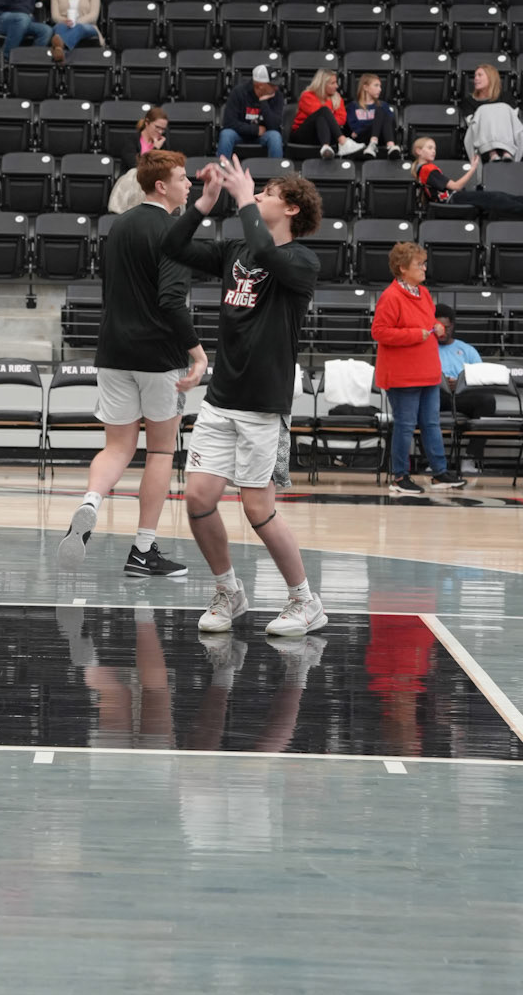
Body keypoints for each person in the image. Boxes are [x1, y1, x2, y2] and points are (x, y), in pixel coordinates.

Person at [160, 156, 329, 637]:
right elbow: (173, 246)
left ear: (292, 209)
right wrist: (205, 203)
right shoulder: (236, 248)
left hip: (263, 405)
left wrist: (240, 199)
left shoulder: (302, 262)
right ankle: (229, 591)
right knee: (197, 498)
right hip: (221, 399)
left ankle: (305, 600)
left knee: (257, 509)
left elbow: (267, 253)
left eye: (267, 193)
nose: (256, 196)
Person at [56, 149, 206, 582]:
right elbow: (172, 301)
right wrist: (197, 352)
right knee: (159, 451)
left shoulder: (118, 226)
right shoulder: (175, 230)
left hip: (113, 351)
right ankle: (143, 551)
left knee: (118, 446)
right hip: (159, 356)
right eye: (182, 178)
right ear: (161, 186)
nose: (189, 185)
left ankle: (91, 501)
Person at [372, 241, 466, 497]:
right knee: (405, 425)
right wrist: (417, 334)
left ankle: (439, 473)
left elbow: (428, 321)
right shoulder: (391, 296)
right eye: (419, 264)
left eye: (424, 263)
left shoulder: (423, 293)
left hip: (427, 372)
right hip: (403, 375)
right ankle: (400, 477)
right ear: (403, 268)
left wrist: (437, 326)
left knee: (431, 423)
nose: (424, 268)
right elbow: (379, 332)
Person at [410, 135, 523, 220]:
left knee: (499, 195)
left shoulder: (421, 169)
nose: (434, 151)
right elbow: (456, 186)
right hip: (453, 200)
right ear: (419, 151)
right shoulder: (427, 170)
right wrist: (473, 169)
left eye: (434, 148)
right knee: (496, 198)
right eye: (430, 148)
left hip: (454, 198)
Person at [432, 306, 486, 476]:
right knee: (417, 402)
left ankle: (470, 456)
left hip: (462, 396)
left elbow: (480, 378)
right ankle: (432, 459)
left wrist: (461, 383)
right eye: (438, 327)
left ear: (453, 326)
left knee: (487, 401)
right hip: (436, 395)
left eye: (446, 327)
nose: (443, 331)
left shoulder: (467, 350)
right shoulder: (425, 349)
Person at [219, 63, 287, 163]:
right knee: (226, 134)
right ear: (260, 85)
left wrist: (263, 102)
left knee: (275, 136)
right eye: (272, 85)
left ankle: (276, 172)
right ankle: (220, 170)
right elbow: (229, 123)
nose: (276, 88)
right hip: (240, 134)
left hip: (264, 136)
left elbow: (275, 126)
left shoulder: (277, 96)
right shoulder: (238, 92)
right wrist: (255, 130)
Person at [289, 69, 361, 159]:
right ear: (323, 84)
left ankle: (326, 148)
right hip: (304, 135)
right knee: (323, 112)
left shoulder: (337, 98)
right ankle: (343, 142)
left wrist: (330, 119)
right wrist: (331, 115)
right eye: (333, 83)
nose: (337, 86)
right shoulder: (307, 96)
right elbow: (319, 112)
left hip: (326, 135)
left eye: (336, 82)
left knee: (322, 118)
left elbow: (342, 119)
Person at [462, 65, 523, 164]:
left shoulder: (506, 96)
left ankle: (507, 151)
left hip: (505, 132)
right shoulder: (469, 101)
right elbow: (471, 121)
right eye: (475, 76)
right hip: (481, 136)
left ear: (491, 77)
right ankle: (492, 152)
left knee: (503, 108)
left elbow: (513, 118)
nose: (476, 79)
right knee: (483, 110)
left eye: (480, 75)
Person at [343, 72, 402, 158]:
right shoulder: (352, 106)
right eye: (376, 85)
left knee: (381, 110)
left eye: (380, 86)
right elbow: (355, 128)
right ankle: (379, 144)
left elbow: (390, 123)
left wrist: (365, 125)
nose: (380, 89)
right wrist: (376, 123)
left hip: (380, 139)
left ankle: (387, 146)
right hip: (361, 139)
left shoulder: (383, 105)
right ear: (365, 87)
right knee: (381, 112)